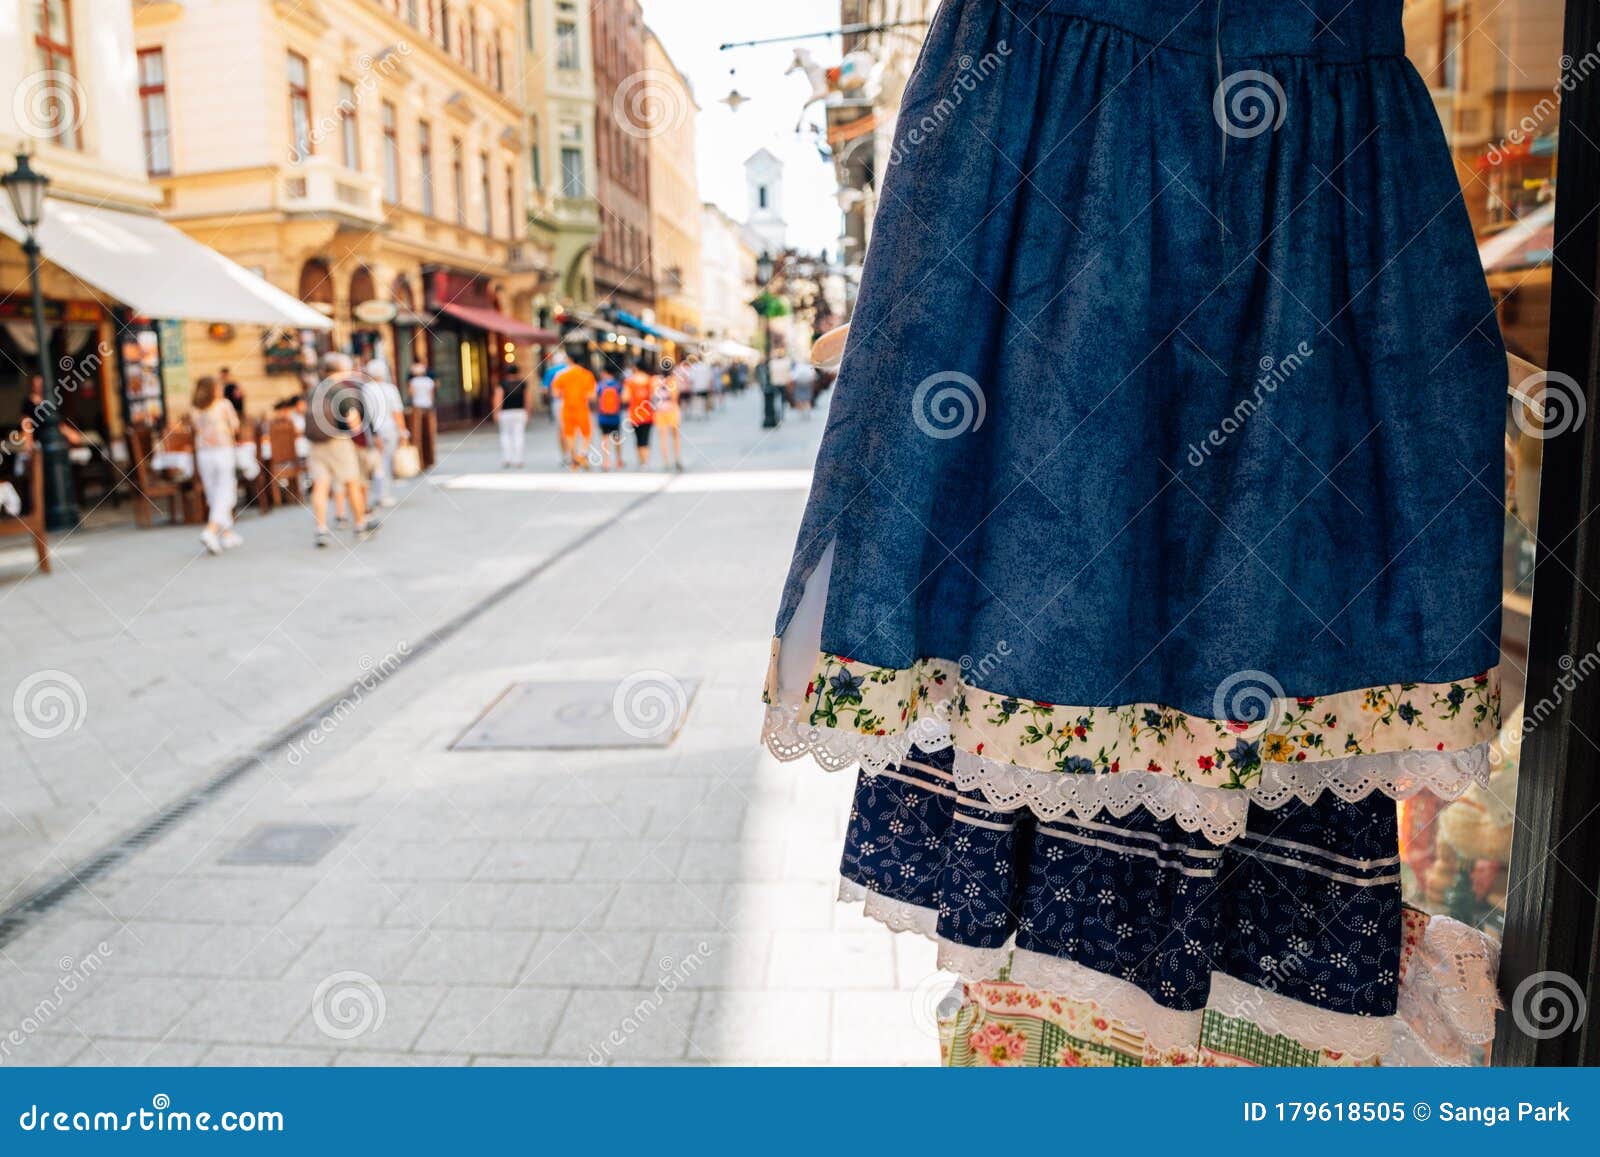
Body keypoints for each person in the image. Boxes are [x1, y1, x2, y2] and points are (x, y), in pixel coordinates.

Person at [306, 351, 378, 547]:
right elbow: (354, 422)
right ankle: (360, 525)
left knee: (320, 486)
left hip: (315, 445)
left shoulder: (314, 390)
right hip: (338, 443)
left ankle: (321, 530)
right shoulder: (341, 390)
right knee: (352, 483)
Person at [190, 375, 241, 554]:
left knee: (213, 493)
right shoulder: (223, 405)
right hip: (222, 451)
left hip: (204, 454)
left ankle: (226, 534)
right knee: (226, 491)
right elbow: (235, 425)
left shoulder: (195, 409)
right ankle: (210, 531)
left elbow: (197, 430)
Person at [362, 358, 406, 508]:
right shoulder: (390, 389)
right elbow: (397, 413)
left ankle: (377, 494)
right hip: (388, 430)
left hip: (370, 432)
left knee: (376, 462)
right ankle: (383, 495)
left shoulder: (365, 389)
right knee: (385, 463)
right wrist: (403, 432)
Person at [549, 349, 596, 470]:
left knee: (569, 435)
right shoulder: (587, 374)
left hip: (567, 408)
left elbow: (555, 393)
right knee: (586, 434)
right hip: (582, 408)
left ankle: (574, 459)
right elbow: (592, 395)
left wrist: (567, 393)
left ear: (569, 360)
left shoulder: (561, 375)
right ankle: (582, 454)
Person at [493, 368, 530, 469]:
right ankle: (519, 459)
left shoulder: (502, 384)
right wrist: (528, 412)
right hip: (520, 412)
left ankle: (507, 458)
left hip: (505, 413)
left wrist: (496, 412)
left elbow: (498, 398)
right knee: (519, 435)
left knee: (505, 435)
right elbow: (527, 399)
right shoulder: (522, 384)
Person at [623, 359, 655, 469]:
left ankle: (641, 461)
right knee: (645, 438)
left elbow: (625, 398)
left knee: (637, 439)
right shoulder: (650, 380)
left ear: (636, 368)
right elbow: (654, 397)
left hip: (634, 415)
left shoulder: (629, 381)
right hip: (648, 414)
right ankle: (645, 462)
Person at [542, 349, 571, 467]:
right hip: (574, 402)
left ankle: (565, 456)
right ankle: (575, 453)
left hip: (558, 402)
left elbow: (544, 389)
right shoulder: (571, 370)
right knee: (573, 429)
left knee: (561, 430)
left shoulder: (550, 371)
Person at [653, 362, 683, 471]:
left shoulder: (655, 381)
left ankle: (666, 461)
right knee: (675, 437)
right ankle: (677, 459)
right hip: (672, 410)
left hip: (660, 411)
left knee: (663, 437)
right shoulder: (673, 381)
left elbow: (653, 395)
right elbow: (674, 397)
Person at [594, 368, 625, 470]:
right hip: (615, 416)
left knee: (605, 438)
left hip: (603, 416)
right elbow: (622, 399)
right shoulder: (618, 385)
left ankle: (606, 462)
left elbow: (595, 398)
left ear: (605, 373)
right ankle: (619, 460)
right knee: (617, 438)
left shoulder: (600, 385)